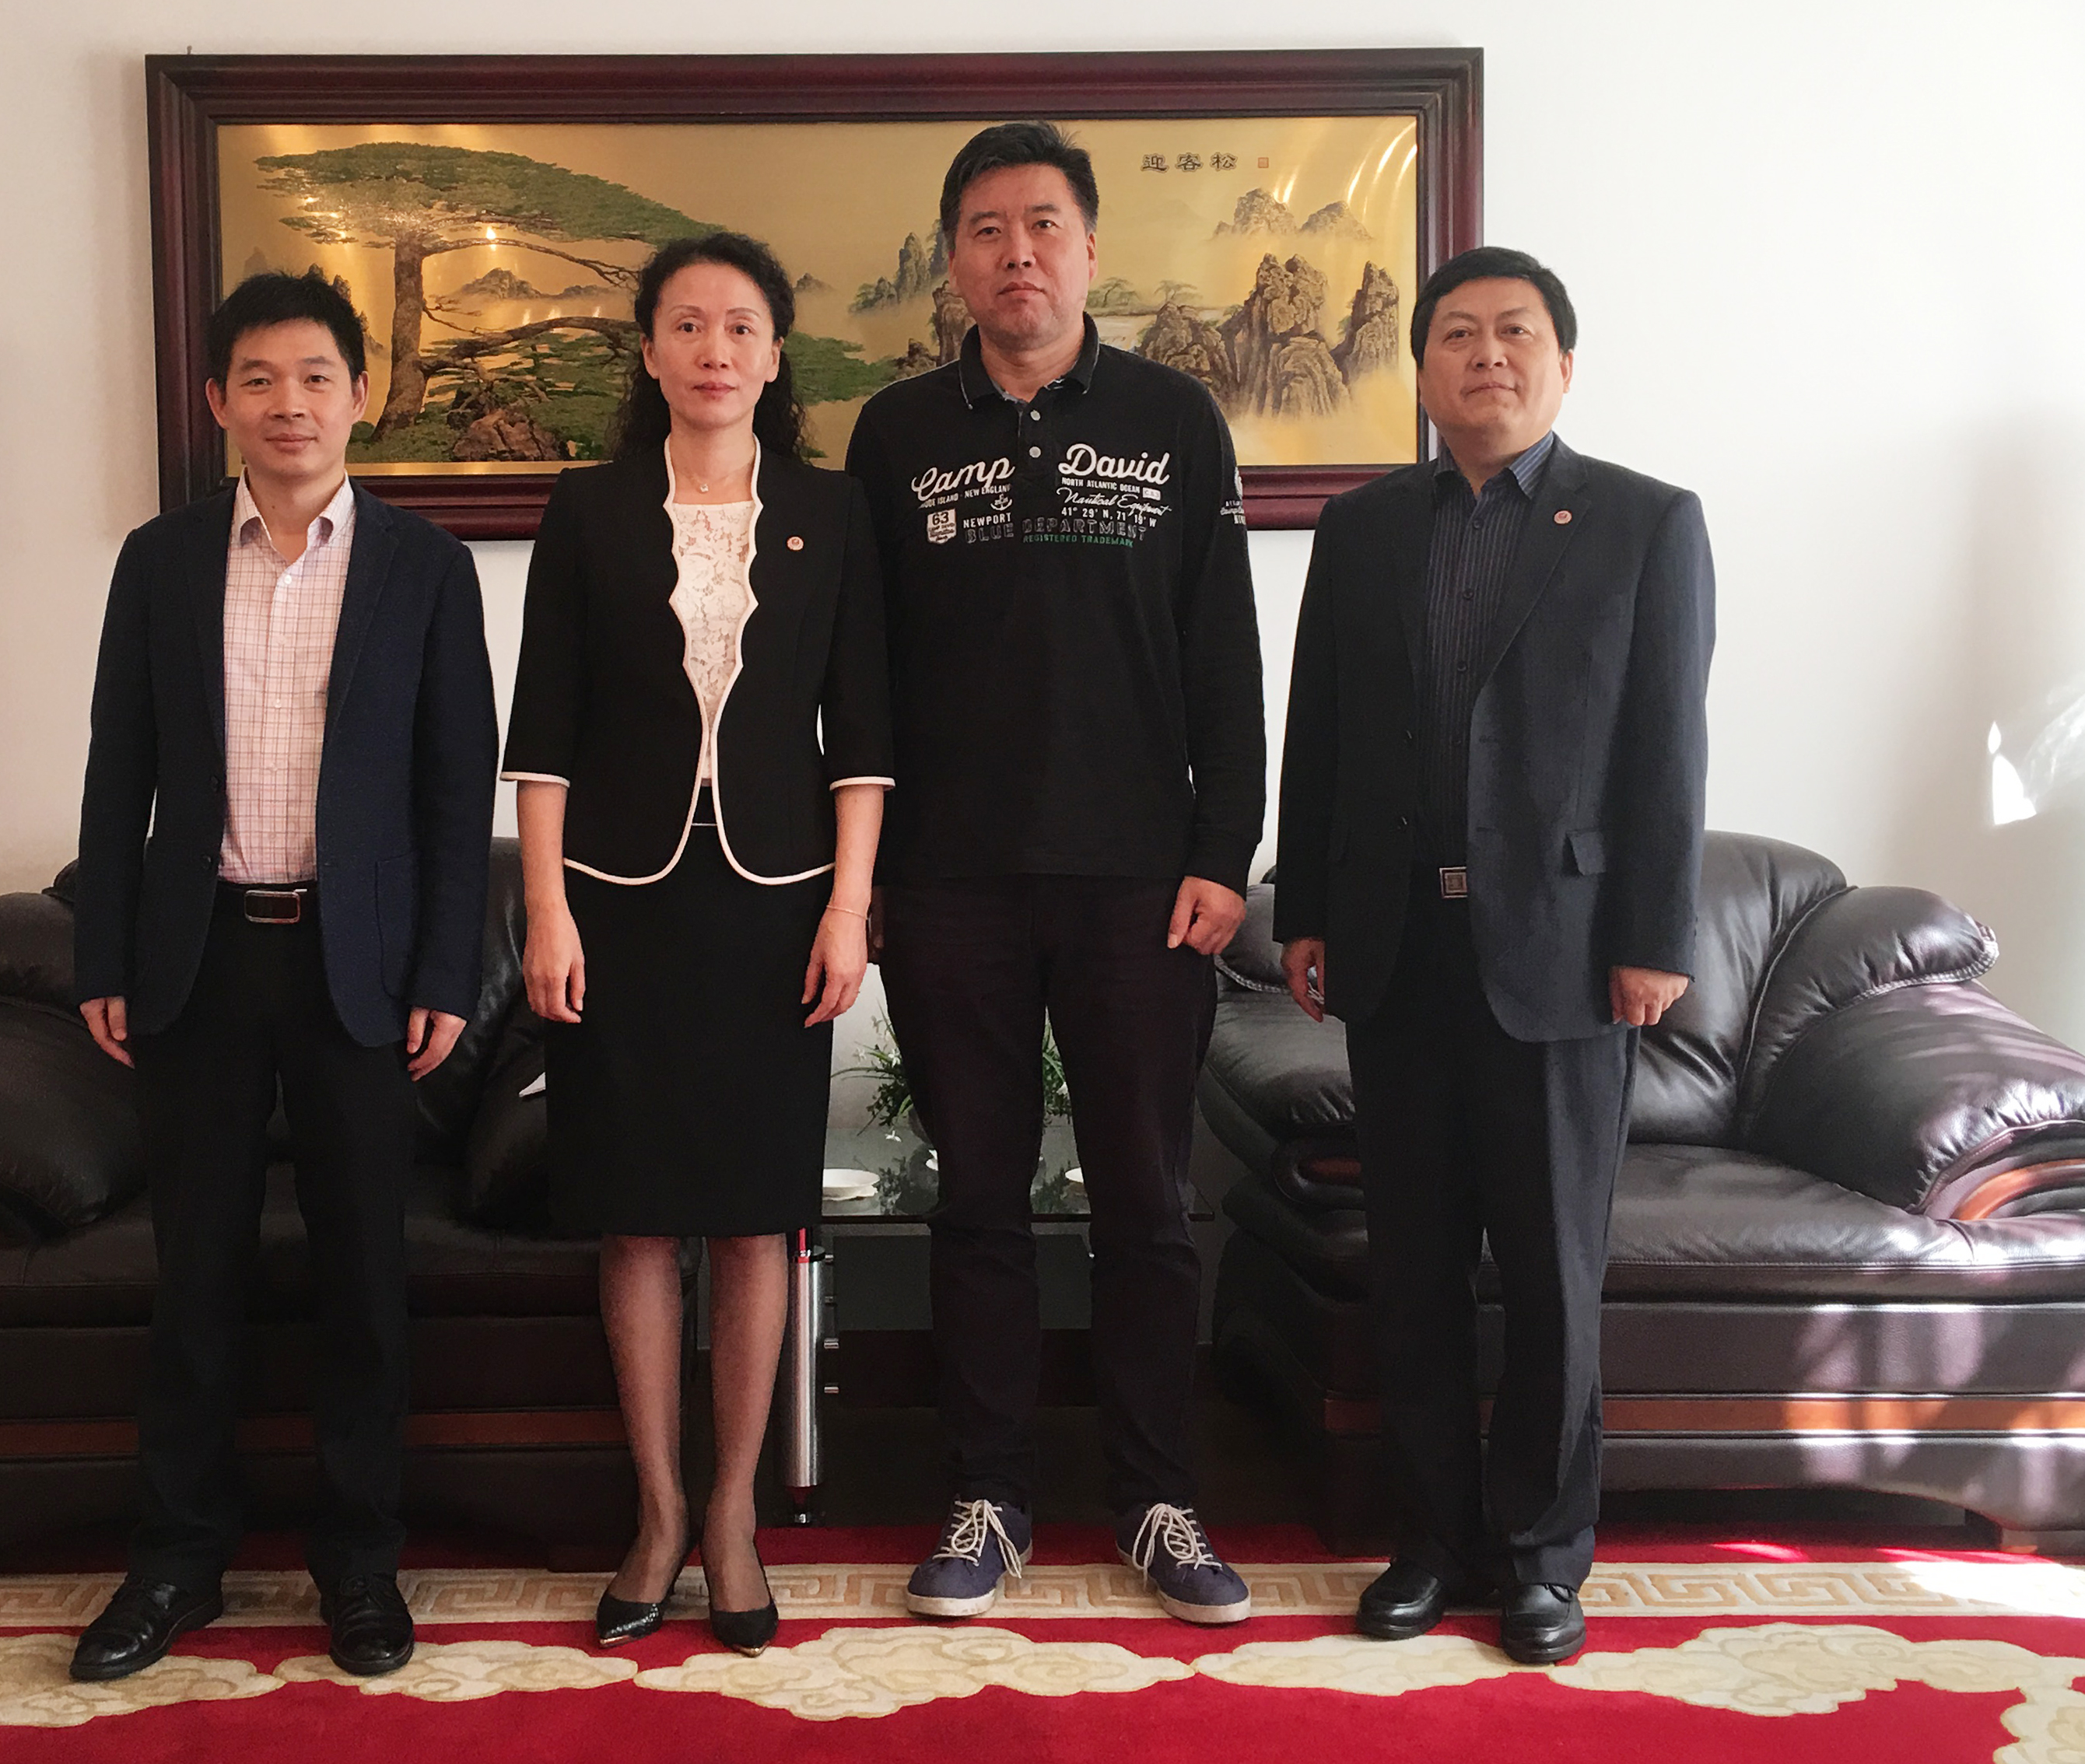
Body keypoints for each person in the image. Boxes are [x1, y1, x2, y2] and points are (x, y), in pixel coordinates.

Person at [846, 121, 1263, 1626]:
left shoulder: (1174, 417)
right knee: (976, 1202)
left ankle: (1159, 1498)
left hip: (1141, 883)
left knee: (1147, 1203)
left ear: (1089, 249)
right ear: (953, 261)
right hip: (948, 882)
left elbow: (1225, 650)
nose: (1016, 252)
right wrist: (864, 872)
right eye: (985, 229)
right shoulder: (896, 433)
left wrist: (1226, 853)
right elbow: (862, 673)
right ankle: (990, 1495)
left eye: (1042, 225)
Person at [1273, 245, 1715, 1664]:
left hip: (1566, 957)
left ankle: (1540, 1559)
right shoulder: (1364, 529)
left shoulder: (1645, 522)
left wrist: (1652, 935)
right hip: (1399, 948)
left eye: (1516, 333)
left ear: (1563, 364)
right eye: (1456, 335)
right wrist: (1306, 912)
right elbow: (1319, 733)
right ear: (1421, 370)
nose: (1487, 357)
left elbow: (1668, 747)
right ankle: (1430, 1543)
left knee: (1549, 1276)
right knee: (1412, 1271)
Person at [68, 268, 497, 1682]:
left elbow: (457, 790)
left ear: (361, 394)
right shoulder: (161, 560)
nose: (288, 403)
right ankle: (175, 1563)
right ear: (217, 401)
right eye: (258, 378)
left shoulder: (425, 568)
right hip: (197, 959)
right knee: (194, 1273)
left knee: (365, 1278)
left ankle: (359, 1565)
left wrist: (447, 970)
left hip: (357, 968)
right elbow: (119, 772)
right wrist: (105, 952)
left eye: (316, 376)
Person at [504, 232, 890, 1657]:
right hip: (616, 899)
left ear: (775, 356)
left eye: (741, 326)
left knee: (752, 1211)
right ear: (650, 352)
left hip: (778, 902)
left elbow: (865, 736)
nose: (714, 349)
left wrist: (849, 908)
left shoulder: (832, 512)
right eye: (686, 324)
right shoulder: (586, 508)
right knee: (634, 1212)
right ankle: (657, 1512)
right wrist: (545, 907)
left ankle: (733, 1515)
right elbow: (542, 729)